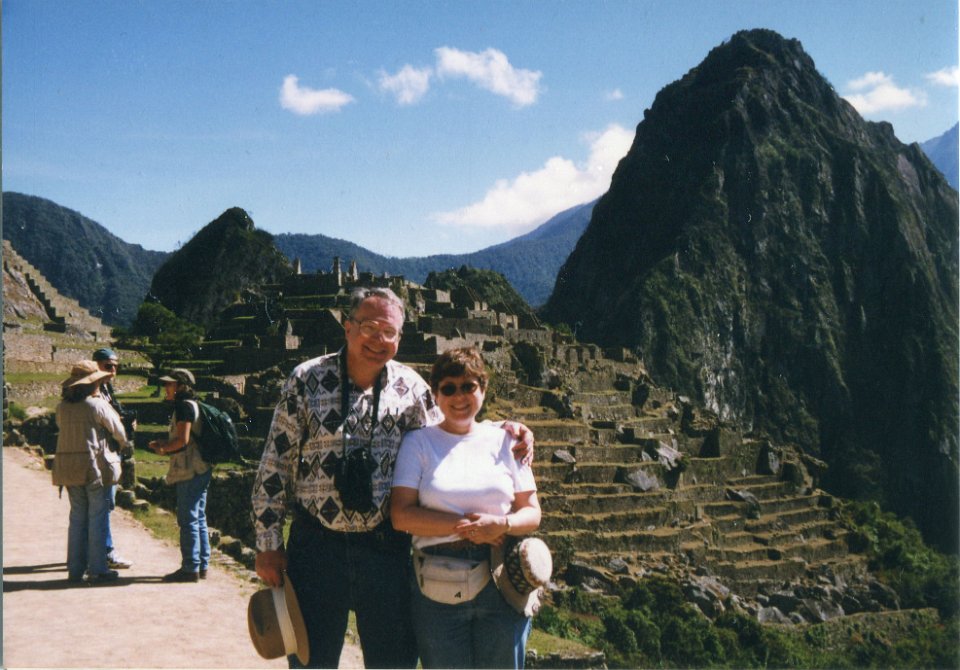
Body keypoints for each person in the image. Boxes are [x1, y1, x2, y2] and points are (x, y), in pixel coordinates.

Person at [251, 287, 534, 670]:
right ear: (348, 327)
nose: (378, 340)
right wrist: (268, 544)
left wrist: (506, 430)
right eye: (370, 327)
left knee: (393, 662)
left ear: (399, 338)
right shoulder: (306, 379)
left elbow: (453, 430)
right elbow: (275, 465)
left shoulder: (411, 389)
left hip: (384, 551)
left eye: (390, 332)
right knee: (311, 661)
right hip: (317, 547)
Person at [391, 347, 541, 669]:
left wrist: (502, 524)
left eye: (468, 386)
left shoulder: (507, 441)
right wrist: (470, 528)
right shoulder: (418, 443)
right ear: (435, 395)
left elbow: (531, 512)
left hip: (501, 578)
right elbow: (401, 515)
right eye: (448, 388)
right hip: (437, 580)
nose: (459, 397)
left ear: (483, 389)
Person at [53, 360, 130, 585]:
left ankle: (75, 570)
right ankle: (98, 569)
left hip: (69, 467)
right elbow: (119, 432)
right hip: (94, 467)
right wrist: (121, 445)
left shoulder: (62, 407)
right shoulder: (97, 406)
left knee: (77, 518)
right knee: (97, 517)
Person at [148, 368, 211, 583]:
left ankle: (190, 568)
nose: (166, 388)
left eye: (170, 384)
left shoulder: (184, 407)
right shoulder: (193, 405)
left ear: (182, 386)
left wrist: (163, 449)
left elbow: (182, 441)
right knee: (198, 517)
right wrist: (165, 444)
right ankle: (201, 565)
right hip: (201, 466)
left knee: (188, 518)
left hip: (189, 468)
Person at [93, 347, 134, 570]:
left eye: (116, 367)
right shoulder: (94, 392)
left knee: (102, 505)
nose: (113, 371)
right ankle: (105, 552)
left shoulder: (106, 389)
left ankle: (93, 551)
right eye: (108, 366)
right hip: (102, 455)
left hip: (108, 452)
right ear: (96, 365)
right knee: (104, 505)